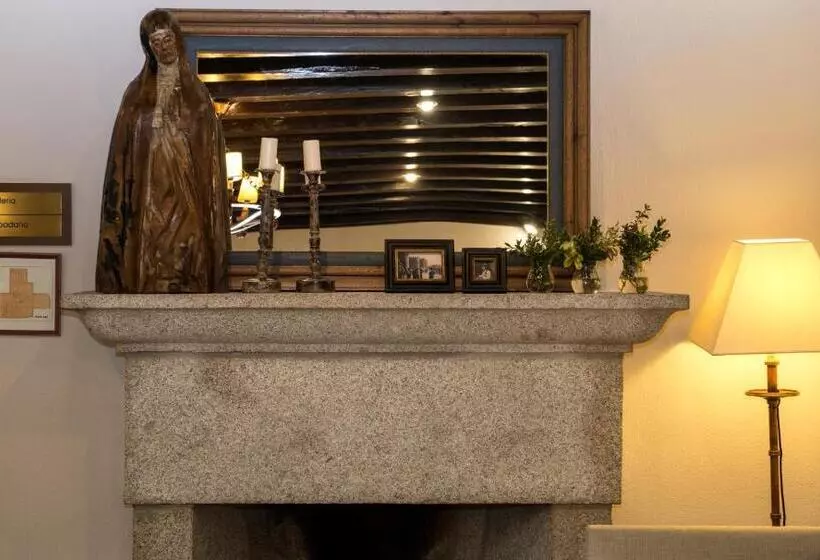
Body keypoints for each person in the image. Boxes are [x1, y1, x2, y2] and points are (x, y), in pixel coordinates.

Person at [96, 9, 231, 293]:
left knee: (189, 242)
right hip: (149, 191)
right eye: (155, 42)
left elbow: (208, 153)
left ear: (177, 39)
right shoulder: (135, 93)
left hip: (187, 187)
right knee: (149, 248)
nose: (163, 47)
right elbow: (124, 149)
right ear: (149, 48)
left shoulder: (198, 94)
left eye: (167, 39)